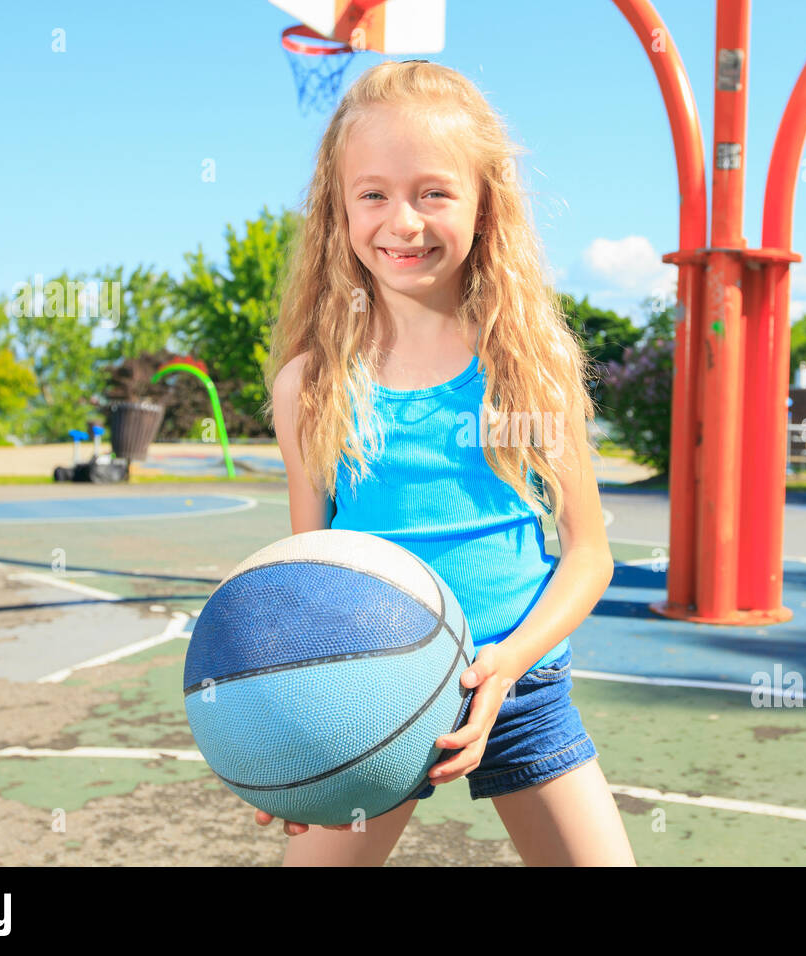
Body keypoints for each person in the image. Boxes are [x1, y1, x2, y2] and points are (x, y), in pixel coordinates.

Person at [258, 60, 635, 867]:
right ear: (337, 208)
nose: (404, 221)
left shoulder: (528, 366)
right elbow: (306, 577)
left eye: (434, 192)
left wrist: (511, 661)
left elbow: (590, 554)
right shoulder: (311, 385)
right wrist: (288, 746)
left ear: (483, 205)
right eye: (373, 194)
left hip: (516, 682)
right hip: (369, 689)